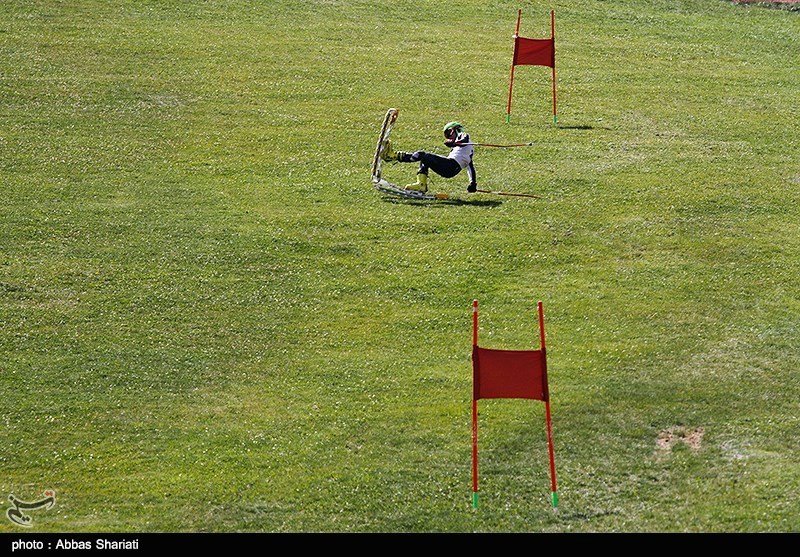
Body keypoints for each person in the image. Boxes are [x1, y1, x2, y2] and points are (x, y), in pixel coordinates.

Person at [381, 121, 478, 193]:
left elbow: (463, 139)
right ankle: (421, 184)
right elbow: (470, 167)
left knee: (423, 155)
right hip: (450, 170)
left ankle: (393, 156)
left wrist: (453, 142)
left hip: (451, 165)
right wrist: (473, 183)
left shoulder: (463, 136)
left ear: (454, 130)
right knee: (425, 159)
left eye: (448, 134)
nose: (448, 138)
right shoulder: (467, 150)